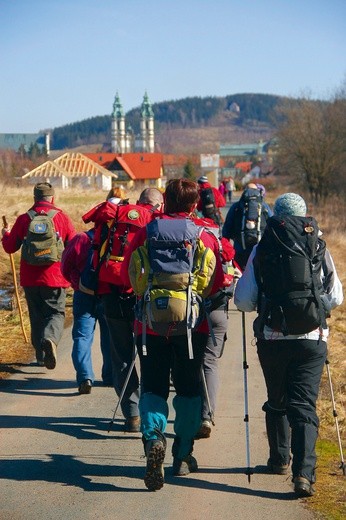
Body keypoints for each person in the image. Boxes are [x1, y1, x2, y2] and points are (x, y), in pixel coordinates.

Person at [234, 193, 343, 498]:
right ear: (305, 216)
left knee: (277, 398)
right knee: (304, 406)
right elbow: (336, 297)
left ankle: (280, 459)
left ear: (275, 216)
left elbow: (243, 300)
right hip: (312, 338)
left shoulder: (263, 247)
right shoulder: (317, 244)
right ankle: (304, 475)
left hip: (273, 337)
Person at [121, 178, 225, 491]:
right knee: (190, 389)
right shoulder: (203, 234)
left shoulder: (147, 231)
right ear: (194, 205)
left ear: (165, 202)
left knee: (153, 385)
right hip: (193, 326)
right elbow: (217, 280)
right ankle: (181, 455)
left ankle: (154, 438)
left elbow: (129, 270)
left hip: (149, 324)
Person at [81, 187, 163, 431]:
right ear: (159, 205)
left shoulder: (114, 215)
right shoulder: (156, 222)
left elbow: (95, 248)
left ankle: (132, 414)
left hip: (110, 293)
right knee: (148, 354)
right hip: (142, 295)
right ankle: (150, 411)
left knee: (121, 357)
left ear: (138, 201)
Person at [1, 182, 76, 369]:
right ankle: (50, 339)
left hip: (30, 279)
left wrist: (5, 234)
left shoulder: (24, 219)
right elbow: (74, 247)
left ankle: (41, 356)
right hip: (55, 277)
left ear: (34, 198)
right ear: (53, 197)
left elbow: (10, 247)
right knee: (56, 313)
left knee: (36, 316)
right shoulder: (61, 218)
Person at [60, 227, 113, 394]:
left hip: (83, 294)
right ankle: (110, 376)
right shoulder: (117, 240)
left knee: (82, 337)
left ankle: (85, 377)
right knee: (110, 336)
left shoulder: (81, 238)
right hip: (108, 295)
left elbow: (65, 267)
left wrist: (77, 283)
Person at [222, 182, 272, 270]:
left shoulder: (236, 206)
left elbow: (227, 228)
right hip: (259, 247)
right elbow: (271, 223)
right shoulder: (264, 206)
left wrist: (225, 244)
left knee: (240, 273)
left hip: (240, 247)